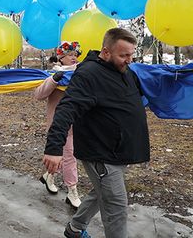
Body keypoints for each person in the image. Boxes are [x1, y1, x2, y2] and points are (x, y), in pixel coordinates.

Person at [43, 28, 149, 238]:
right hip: (101, 152)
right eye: (124, 55)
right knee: (116, 204)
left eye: (132, 54)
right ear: (106, 52)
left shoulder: (123, 70)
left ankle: (75, 228)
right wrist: (54, 148)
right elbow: (66, 109)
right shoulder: (89, 74)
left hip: (119, 149)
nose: (129, 60)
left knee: (102, 191)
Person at [34, 41, 82, 208]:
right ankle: (72, 190)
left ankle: (49, 176)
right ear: (61, 58)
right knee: (70, 157)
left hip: (78, 123)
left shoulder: (81, 75)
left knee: (62, 157)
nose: (74, 58)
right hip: (59, 126)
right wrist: (53, 80)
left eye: (75, 55)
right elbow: (39, 95)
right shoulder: (54, 75)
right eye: (70, 55)